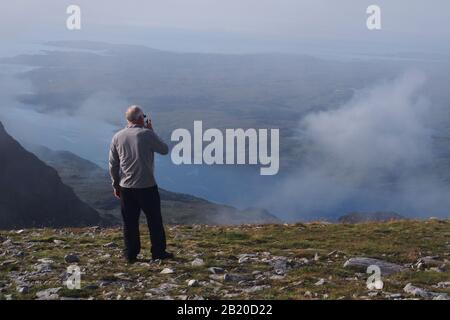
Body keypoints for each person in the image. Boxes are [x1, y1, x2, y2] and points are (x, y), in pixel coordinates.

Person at [109, 105, 173, 262]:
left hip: (126, 187)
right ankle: (158, 252)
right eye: (143, 117)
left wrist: (115, 185)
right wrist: (151, 131)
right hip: (146, 187)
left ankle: (130, 255)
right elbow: (164, 149)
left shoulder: (117, 136)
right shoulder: (146, 134)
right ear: (139, 118)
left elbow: (113, 164)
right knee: (154, 221)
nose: (144, 119)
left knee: (129, 222)